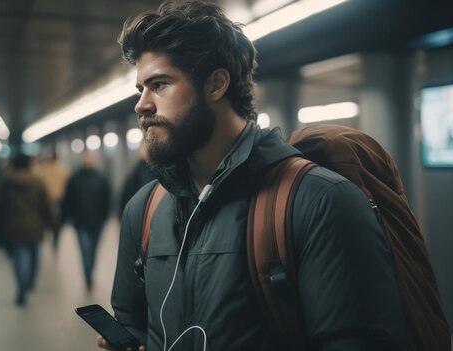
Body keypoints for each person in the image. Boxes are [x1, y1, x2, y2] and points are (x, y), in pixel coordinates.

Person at [100, 1, 408, 350]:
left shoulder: (319, 201)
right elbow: (134, 323)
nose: (141, 105)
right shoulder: (144, 210)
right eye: (140, 89)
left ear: (216, 84)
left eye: (159, 84)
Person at [0, 153, 56, 306]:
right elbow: (47, 206)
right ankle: (30, 282)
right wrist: (54, 225)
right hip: (35, 227)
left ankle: (22, 288)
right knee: (34, 256)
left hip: (13, 228)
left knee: (19, 259)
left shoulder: (6, 183)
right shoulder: (38, 183)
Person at [61, 152, 111, 291]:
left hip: (97, 222)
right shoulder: (75, 178)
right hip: (81, 222)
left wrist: (104, 217)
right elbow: (68, 199)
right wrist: (67, 217)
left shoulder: (101, 178)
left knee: (94, 250)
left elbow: (107, 198)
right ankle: (88, 277)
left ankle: (89, 272)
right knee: (85, 250)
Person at [33, 152, 69, 251]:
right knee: (57, 221)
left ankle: (49, 234)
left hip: (48, 199)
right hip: (60, 198)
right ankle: (56, 238)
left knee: (48, 219)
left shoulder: (45, 170)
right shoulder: (63, 169)